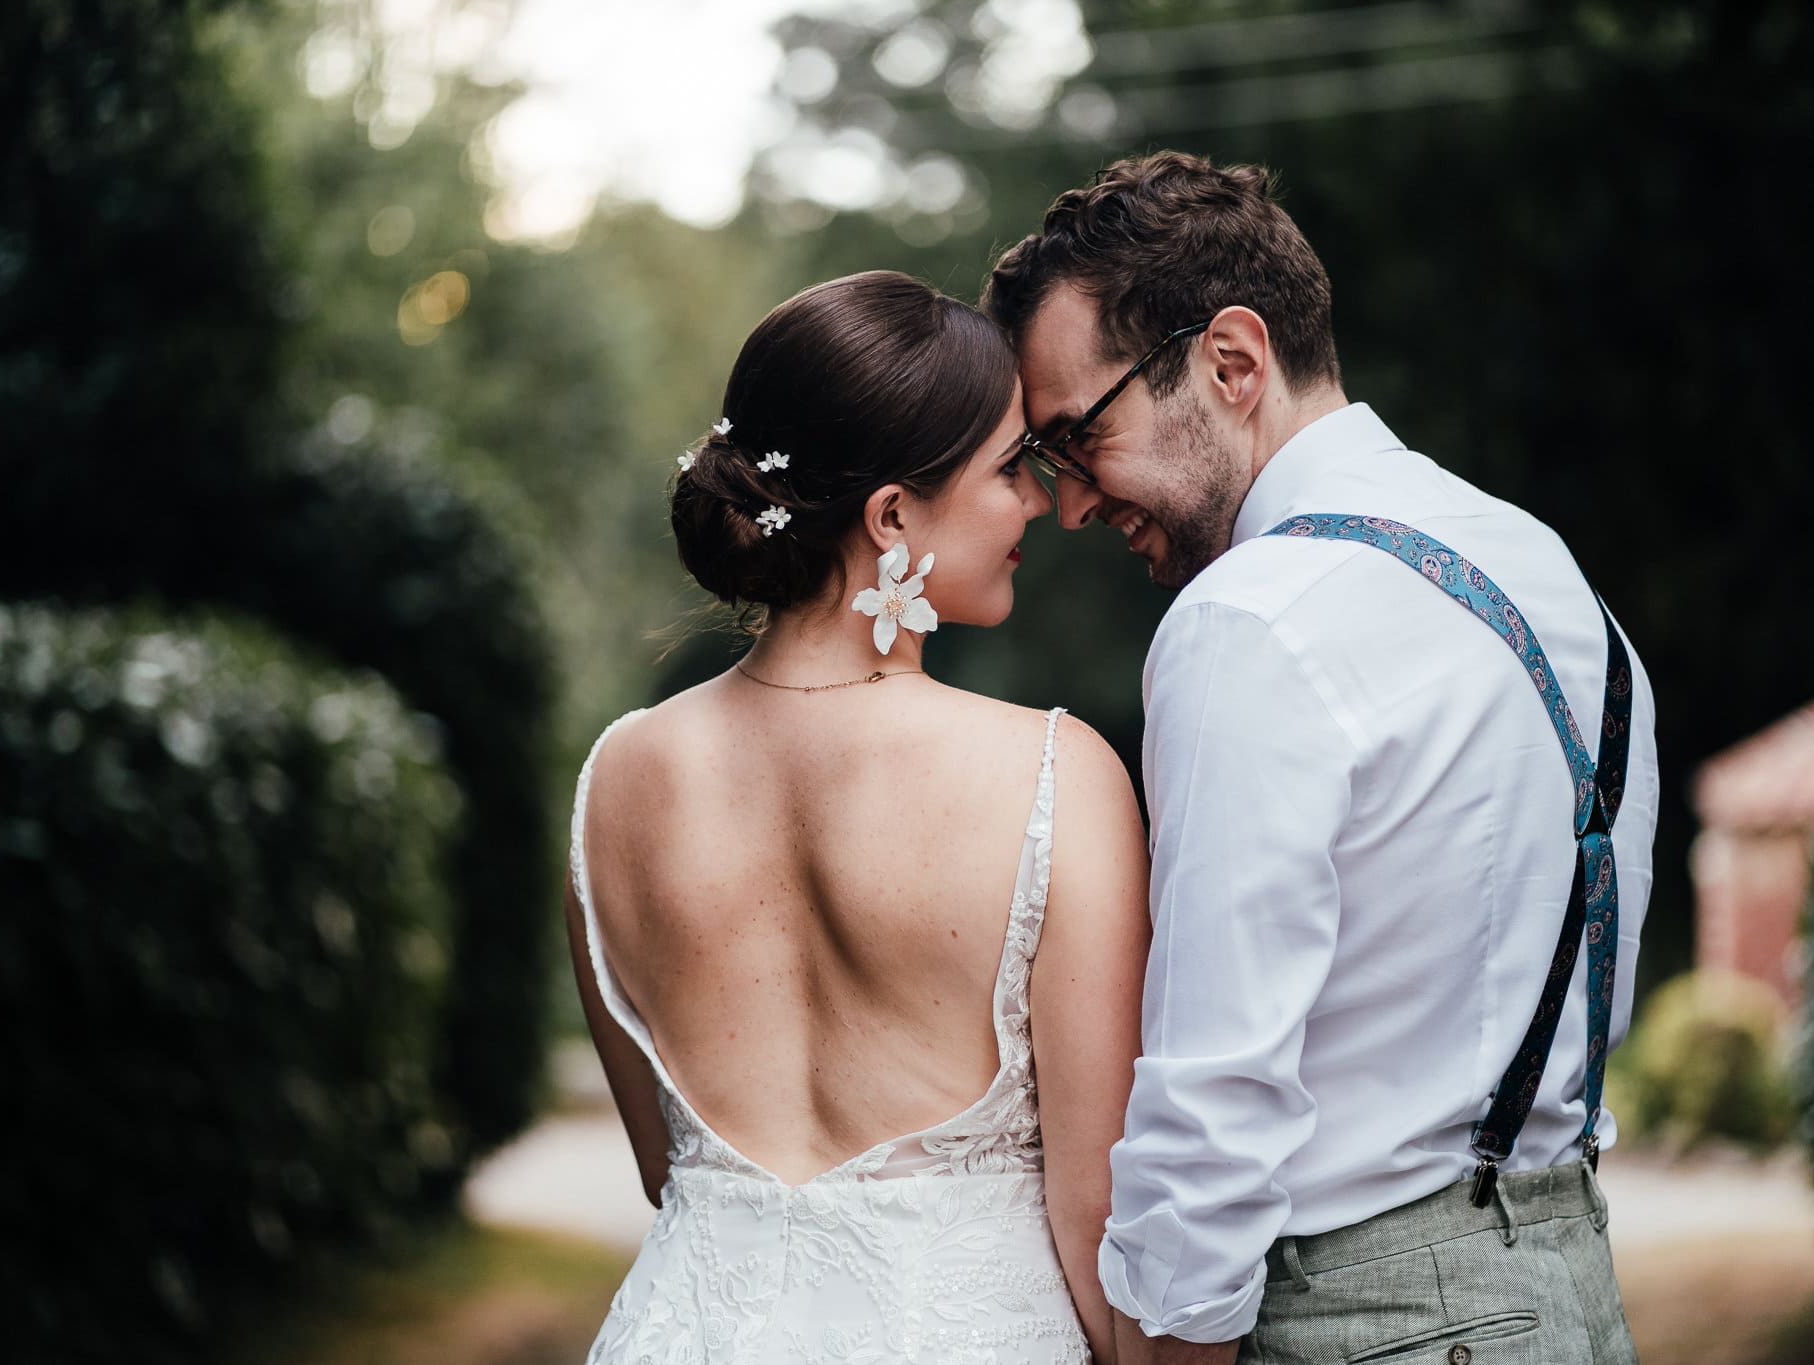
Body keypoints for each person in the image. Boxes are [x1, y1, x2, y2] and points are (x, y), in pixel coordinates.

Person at [985, 152, 1660, 1365]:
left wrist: (1165, 1347)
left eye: (1080, 438)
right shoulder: (1545, 571)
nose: (1073, 505)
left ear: (1230, 363)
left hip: (1369, 1320)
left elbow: (1212, 1100)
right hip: (1567, 1287)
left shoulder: (1250, 618)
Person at [564, 270, 1152, 1364]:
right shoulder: (1053, 774)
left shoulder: (616, 779)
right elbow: (1094, 1212)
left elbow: (665, 1175)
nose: (1036, 502)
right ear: (890, 517)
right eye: (1007, 470)